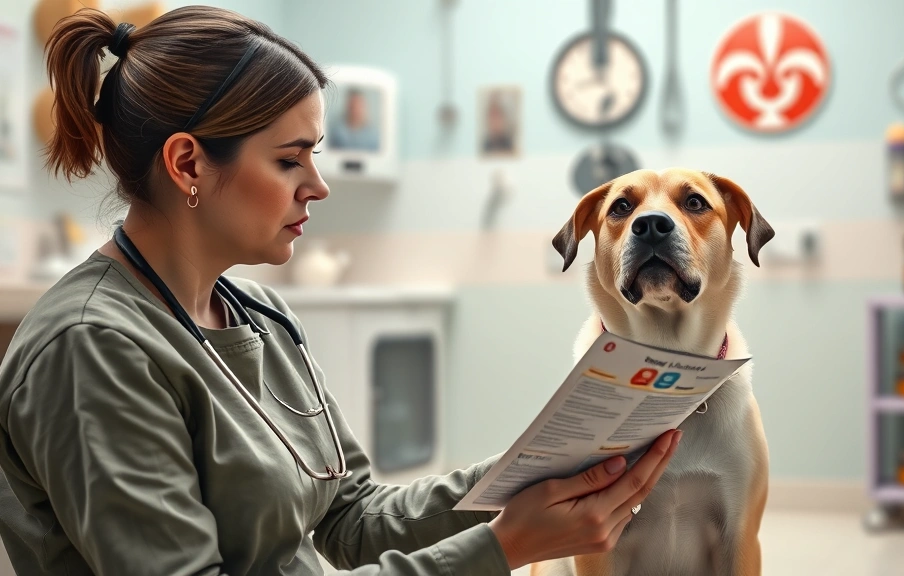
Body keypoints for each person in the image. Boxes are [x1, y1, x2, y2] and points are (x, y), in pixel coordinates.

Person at [0, 6, 682, 575]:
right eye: (290, 159)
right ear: (188, 164)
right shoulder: (92, 347)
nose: (317, 186)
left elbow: (353, 519)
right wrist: (503, 547)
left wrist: (530, 470)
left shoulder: (262, 316)